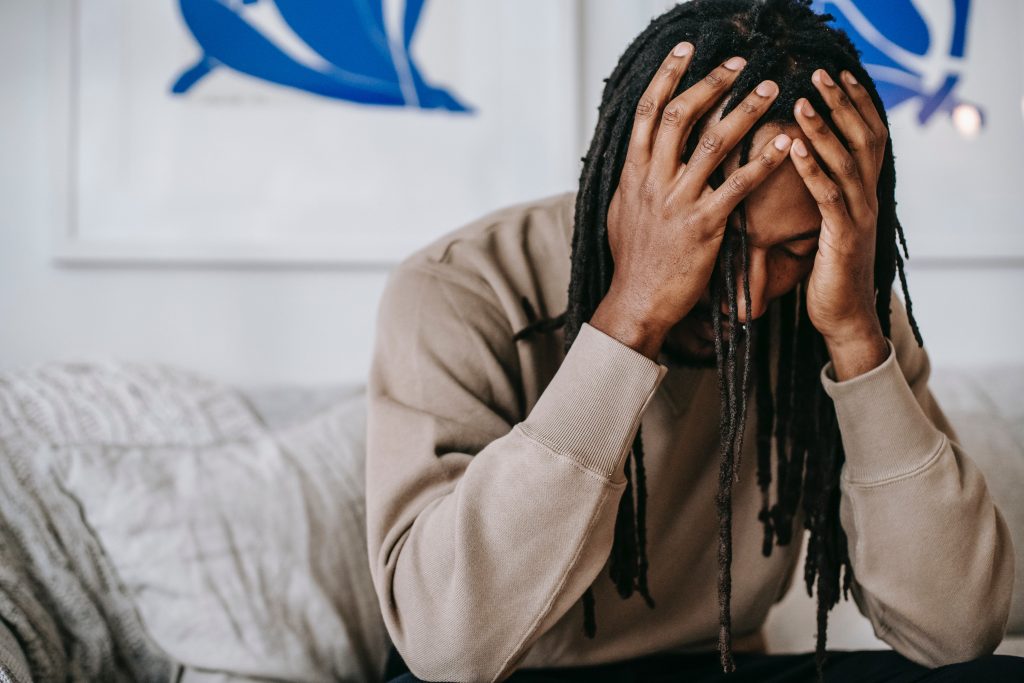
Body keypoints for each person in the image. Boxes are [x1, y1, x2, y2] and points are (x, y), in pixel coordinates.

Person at [364, 0, 1022, 681]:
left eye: (794, 249)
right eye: (719, 243)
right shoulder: (461, 289)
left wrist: (857, 339)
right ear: (630, 186)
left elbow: (957, 630)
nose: (748, 299)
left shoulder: (837, 298)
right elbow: (445, 644)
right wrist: (630, 319)